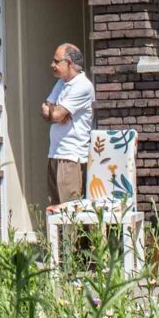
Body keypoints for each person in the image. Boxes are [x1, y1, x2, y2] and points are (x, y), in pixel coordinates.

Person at [41, 42, 95, 206]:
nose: (53, 65)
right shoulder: (62, 83)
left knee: (71, 212)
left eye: (57, 61)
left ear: (69, 63)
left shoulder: (82, 86)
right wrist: (55, 112)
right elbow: (45, 109)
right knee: (55, 210)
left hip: (71, 157)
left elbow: (54, 114)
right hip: (55, 154)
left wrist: (54, 112)